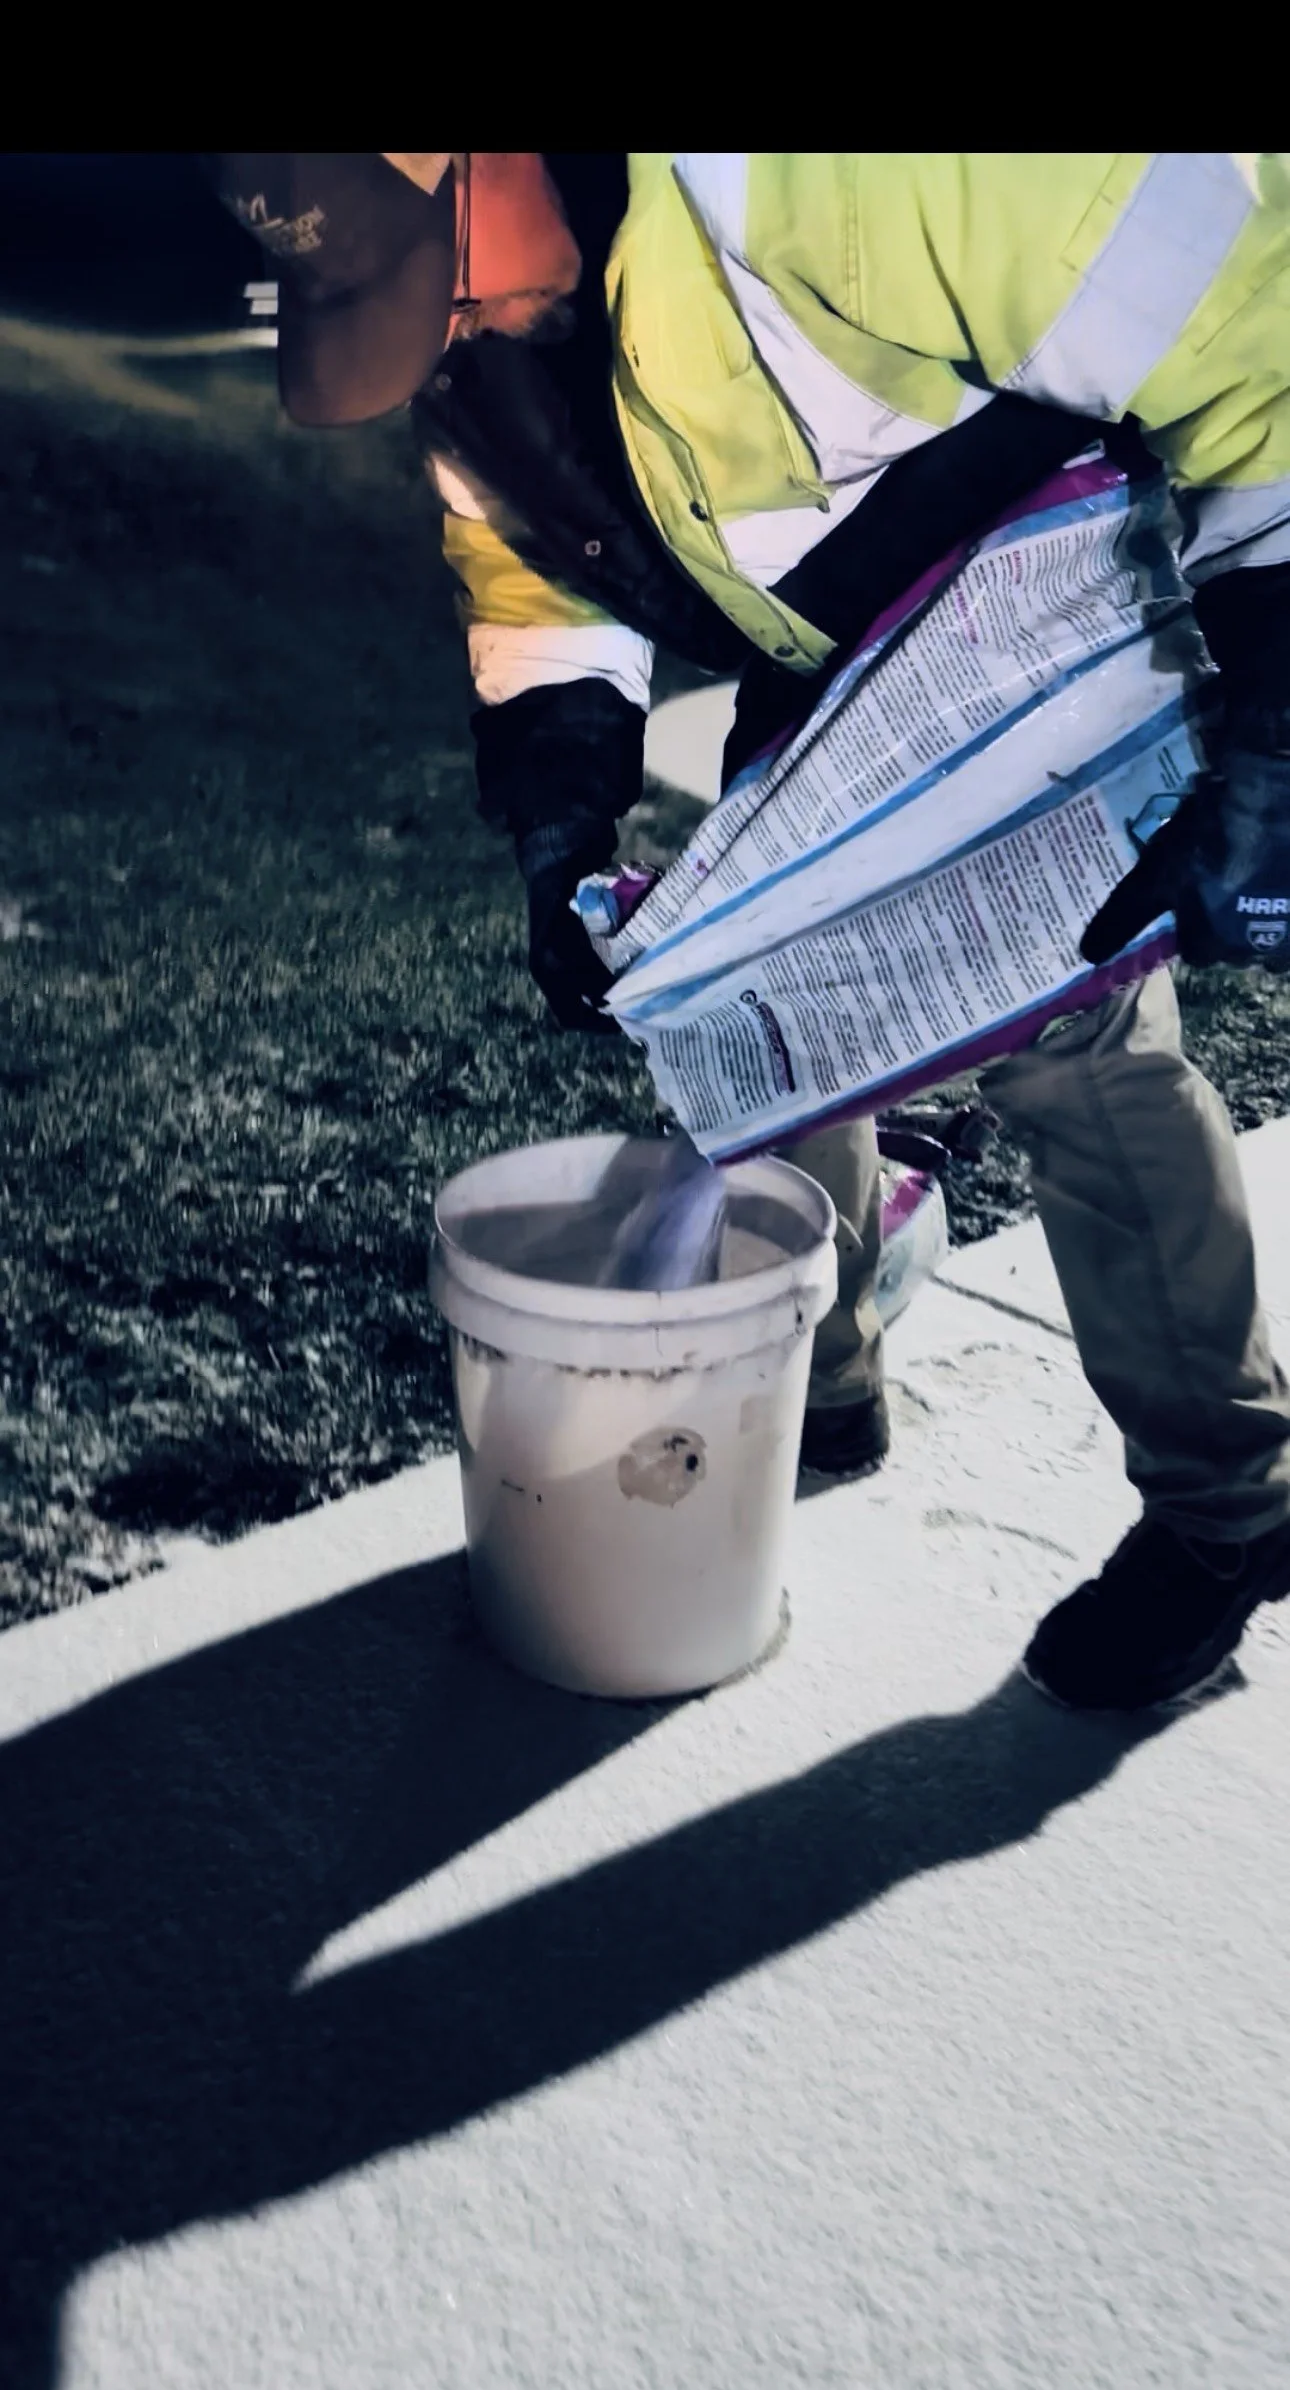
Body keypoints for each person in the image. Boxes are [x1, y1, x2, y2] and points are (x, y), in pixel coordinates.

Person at [209, 151, 1290, 1713]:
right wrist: (559, 805)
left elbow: (1256, 334)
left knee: (1083, 1064)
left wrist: (1271, 736)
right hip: (828, 666)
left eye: (441, 286)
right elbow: (526, 544)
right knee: (769, 1005)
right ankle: (819, 1374)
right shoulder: (491, 328)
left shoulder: (834, 171)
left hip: (1045, 633)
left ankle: (1225, 1513)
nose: (461, 331)